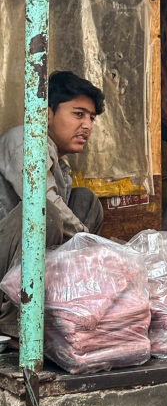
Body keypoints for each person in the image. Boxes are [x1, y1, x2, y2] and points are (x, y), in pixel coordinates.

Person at [0, 70, 105, 336]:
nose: (88, 126)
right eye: (78, 114)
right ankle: (13, 322)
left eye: (91, 118)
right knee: (42, 213)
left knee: (86, 201)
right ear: (47, 114)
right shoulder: (26, 139)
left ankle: (67, 303)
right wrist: (90, 242)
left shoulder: (60, 162)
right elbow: (46, 201)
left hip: (25, 261)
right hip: (4, 267)